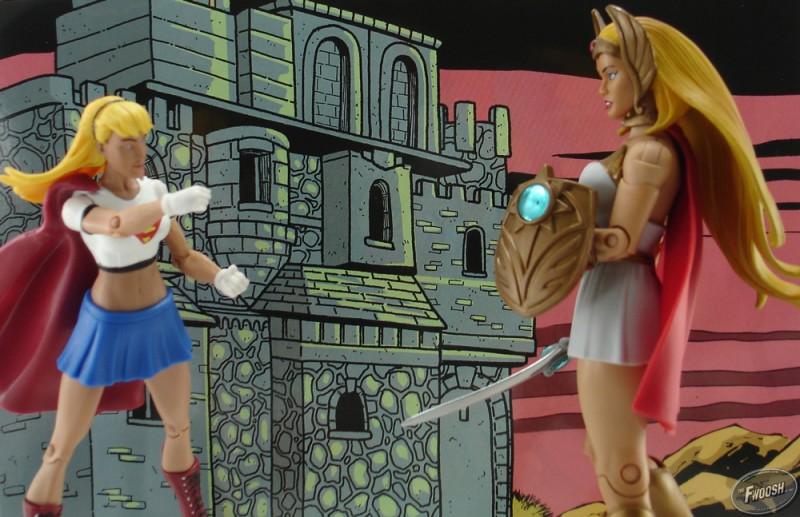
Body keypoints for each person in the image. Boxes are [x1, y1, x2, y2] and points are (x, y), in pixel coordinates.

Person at [569, 6, 800, 516]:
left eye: (612, 74)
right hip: (607, 303)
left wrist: (556, 245)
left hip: (618, 303)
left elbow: (621, 241)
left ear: (646, 75)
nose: (602, 88)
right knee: (614, 454)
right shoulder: (640, 150)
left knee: (619, 469)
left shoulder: (650, 154)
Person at [0, 96, 249, 517]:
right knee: (62, 446)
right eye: (127, 144)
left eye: (142, 140)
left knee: (179, 426)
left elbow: (184, 256)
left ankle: (194, 510)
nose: (140, 152)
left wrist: (219, 276)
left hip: (157, 320)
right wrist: (169, 205)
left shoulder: (153, 190)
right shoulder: (79, 202)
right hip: (104, 327)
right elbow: (116, 225)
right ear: (101, 148)